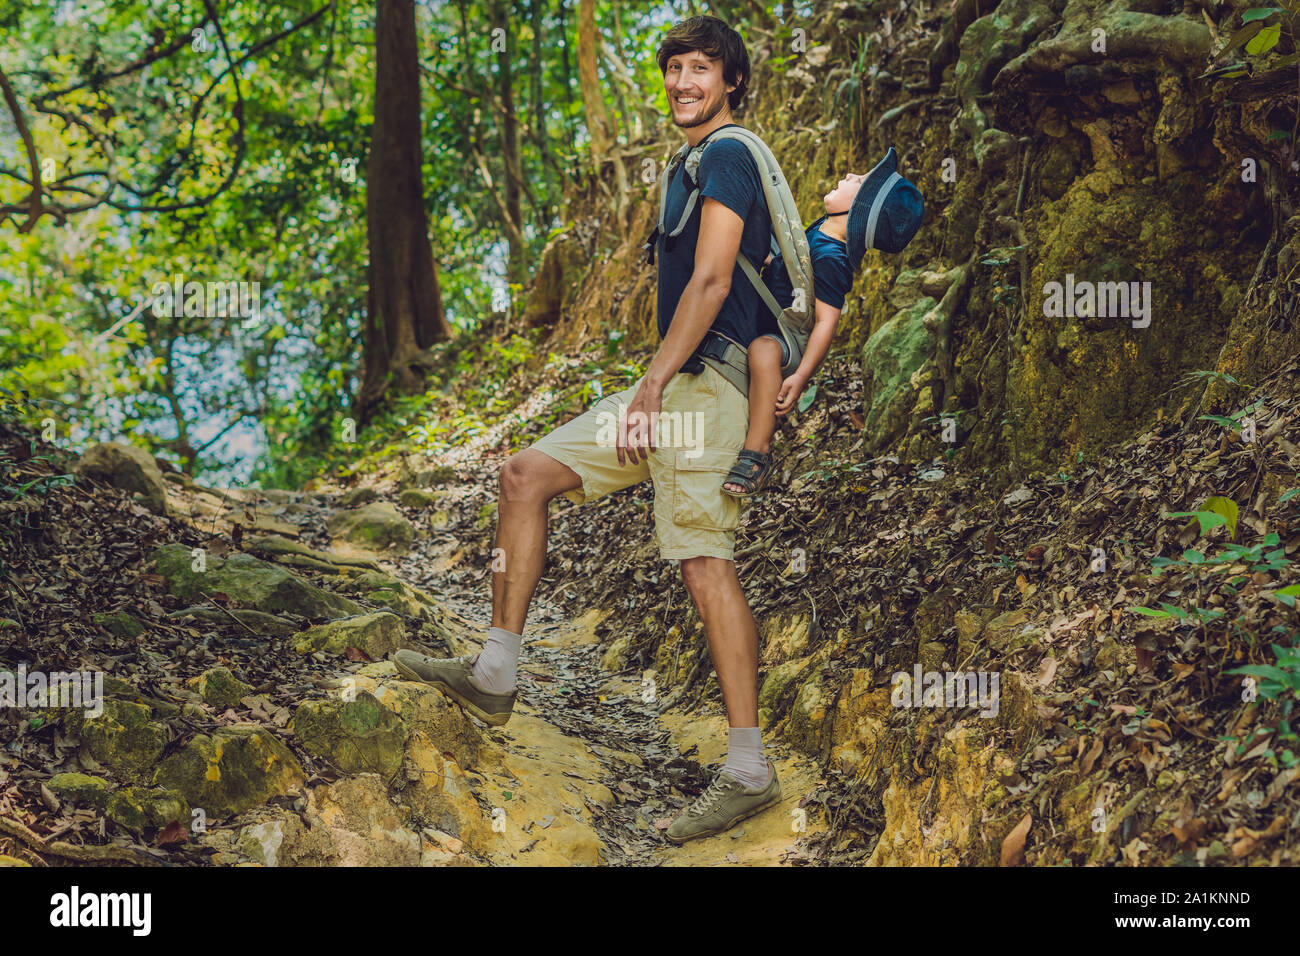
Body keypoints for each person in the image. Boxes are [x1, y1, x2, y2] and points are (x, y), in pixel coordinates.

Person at [393, 15, 783, 845]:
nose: (684, 81)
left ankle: (748, 766)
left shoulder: (730, 155)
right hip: (670, 384)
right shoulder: (693, 161)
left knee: (705, 562)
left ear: (732, 81)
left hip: (702, 391)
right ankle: (496, 669)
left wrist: (648, 384)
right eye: (674, 67)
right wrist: (651, 385)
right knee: (524, 474)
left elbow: (714, 278)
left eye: (702, 68)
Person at [723, 148, 924, 495]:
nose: (848, 174)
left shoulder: (831, 257)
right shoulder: (822, 231)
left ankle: (757, 451)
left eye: (858, 181)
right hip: (768, 312)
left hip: (787, 336)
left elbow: (826, 322)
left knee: (762, 351)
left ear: (859, 210)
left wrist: (801, 376)